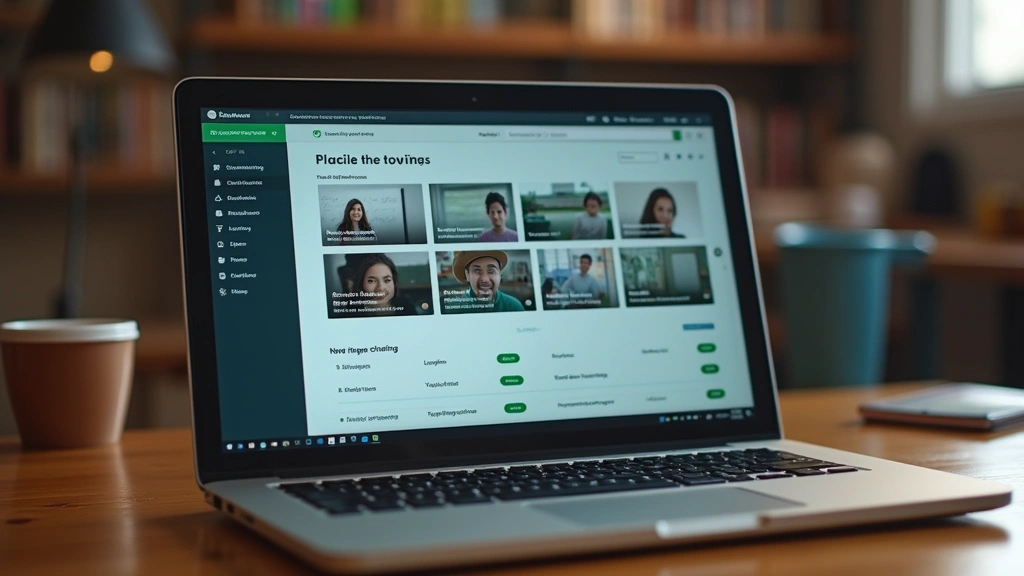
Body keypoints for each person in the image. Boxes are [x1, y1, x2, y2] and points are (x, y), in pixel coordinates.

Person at [449, 250, 525, 312]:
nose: (485, 279)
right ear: (467, 275)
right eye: (477, 271)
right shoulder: (455, 308)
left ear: (499, 274)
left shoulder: (513, 306)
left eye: (491, 271)